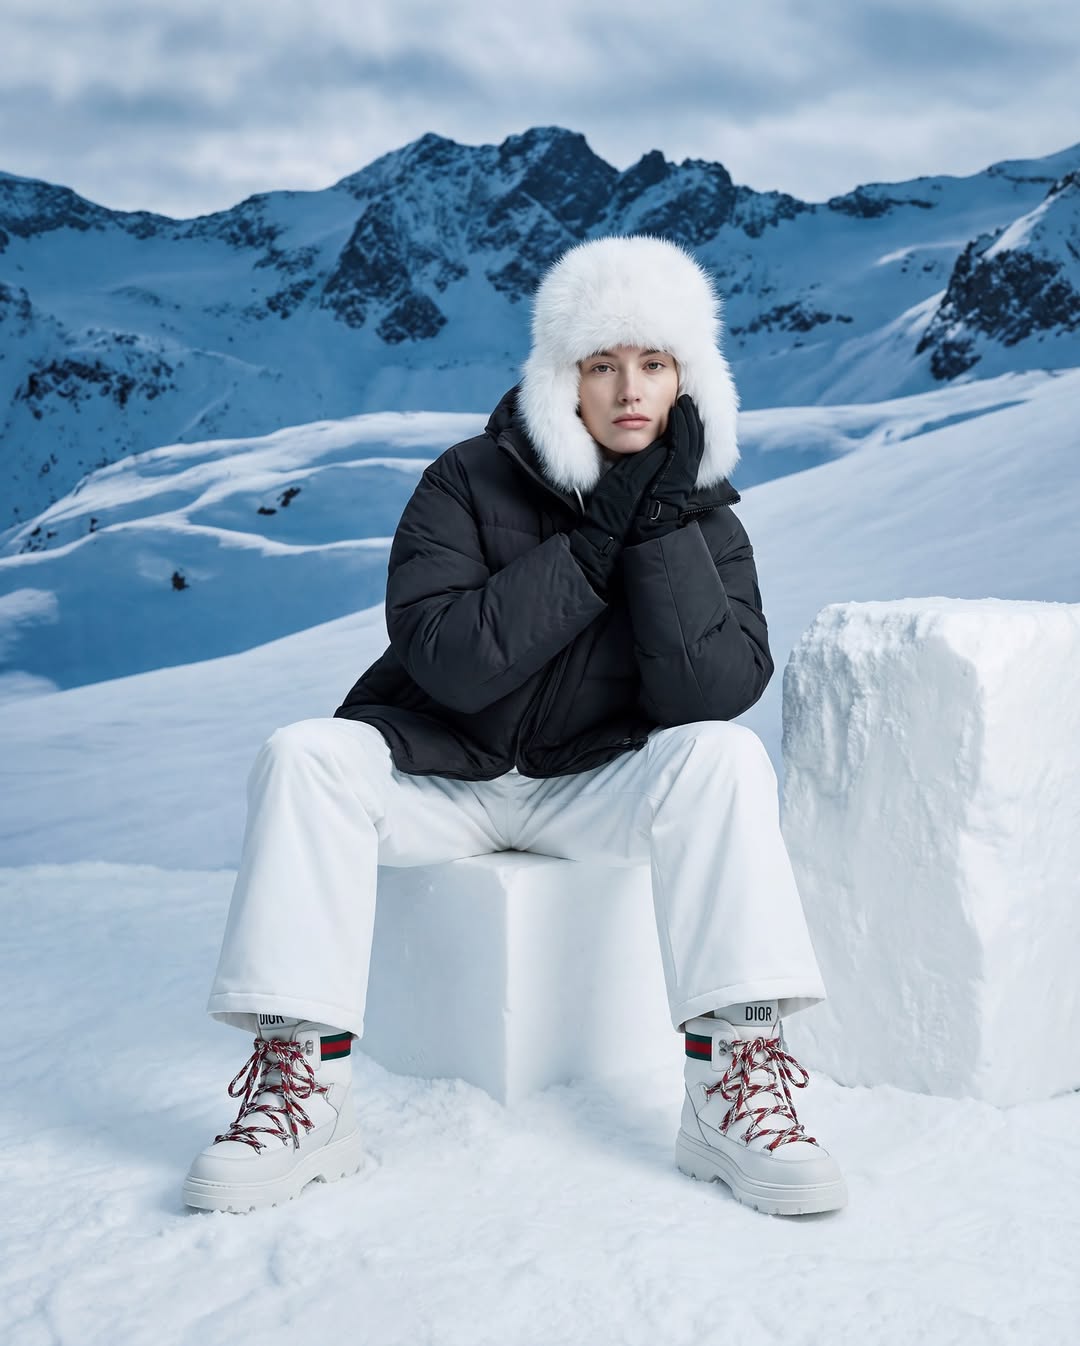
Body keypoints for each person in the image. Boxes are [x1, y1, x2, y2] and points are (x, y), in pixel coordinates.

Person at [183, 234, 846, 1218]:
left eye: (654, 363)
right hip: (443, 771)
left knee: (723, 756)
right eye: (602, 363)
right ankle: (305, 1088)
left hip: (591, 784)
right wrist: (589, 549)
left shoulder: (706, 521)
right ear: (560, 379)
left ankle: (730, 1082)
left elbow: (714, 687)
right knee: (305, 756)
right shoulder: (465, 480)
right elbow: (446, 655)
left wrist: (654, 529)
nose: (629, 388)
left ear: (688, 382)